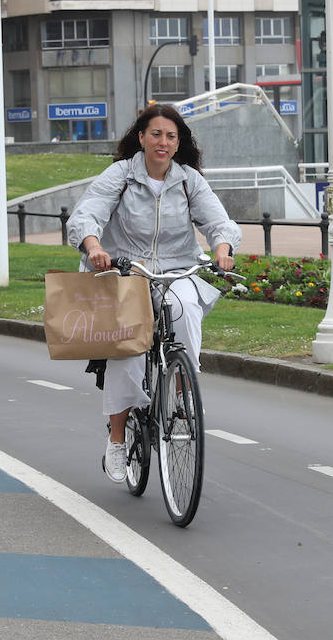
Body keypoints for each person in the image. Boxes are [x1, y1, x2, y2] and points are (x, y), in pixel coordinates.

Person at [66, 104, 241, 484]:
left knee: (184, 308)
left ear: (179, 144)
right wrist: (95, 246)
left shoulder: (188, 180)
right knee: (127, 350)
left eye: (171, 136)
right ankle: (116, 438)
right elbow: (87, 213)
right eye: (156, 134)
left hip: (178, 267)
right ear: (141, 138)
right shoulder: (122, 175)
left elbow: (218, 221)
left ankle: (182, 388)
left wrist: (223, 249)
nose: (163, 142)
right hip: (127, 270)